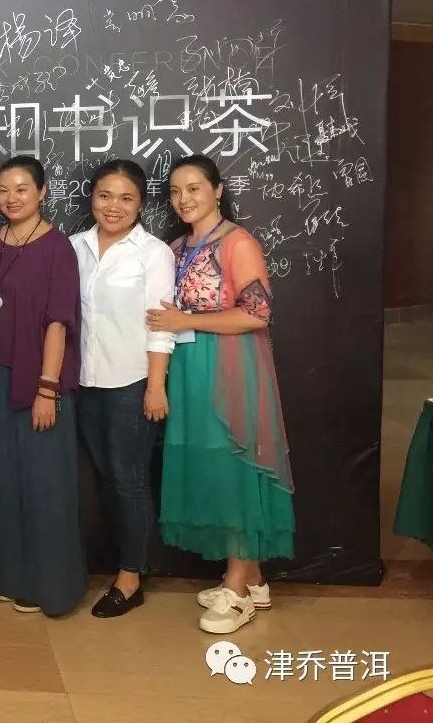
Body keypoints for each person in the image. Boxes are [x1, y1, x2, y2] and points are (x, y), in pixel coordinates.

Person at [147, 154, 294, 634]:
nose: (183, 199)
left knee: (234, 465)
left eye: (193, 188)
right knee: (210, 465)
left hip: (231, 367)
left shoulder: (238, 242)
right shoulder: (176, 246)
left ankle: (237, 589)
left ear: (217, 190)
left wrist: (185, 320)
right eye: (175, 191)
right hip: (188, 366)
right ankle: (253, 578)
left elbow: (257, 314)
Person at [0, 155, 86, 617]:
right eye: (3, 190)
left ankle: (52, 587)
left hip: (39, 379)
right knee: (2, 482)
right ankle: (10, 576)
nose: (11, 198)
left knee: (46, 486)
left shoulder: (58, 248)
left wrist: (47, 389)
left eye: (21, 189)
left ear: (41, 192)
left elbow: (58, 321)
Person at [72, 159, 176, 618]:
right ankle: (120, 564)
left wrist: (155, 386)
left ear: (141, 204)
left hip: (131, 383)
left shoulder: (153, 253)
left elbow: (161, 325)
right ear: (92, 198)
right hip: (83, 382)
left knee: (129, 481)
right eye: (104, 195)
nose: (113, 206)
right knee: (103, 480)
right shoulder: (73, 247)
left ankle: (131, 577)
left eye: (126, 197)